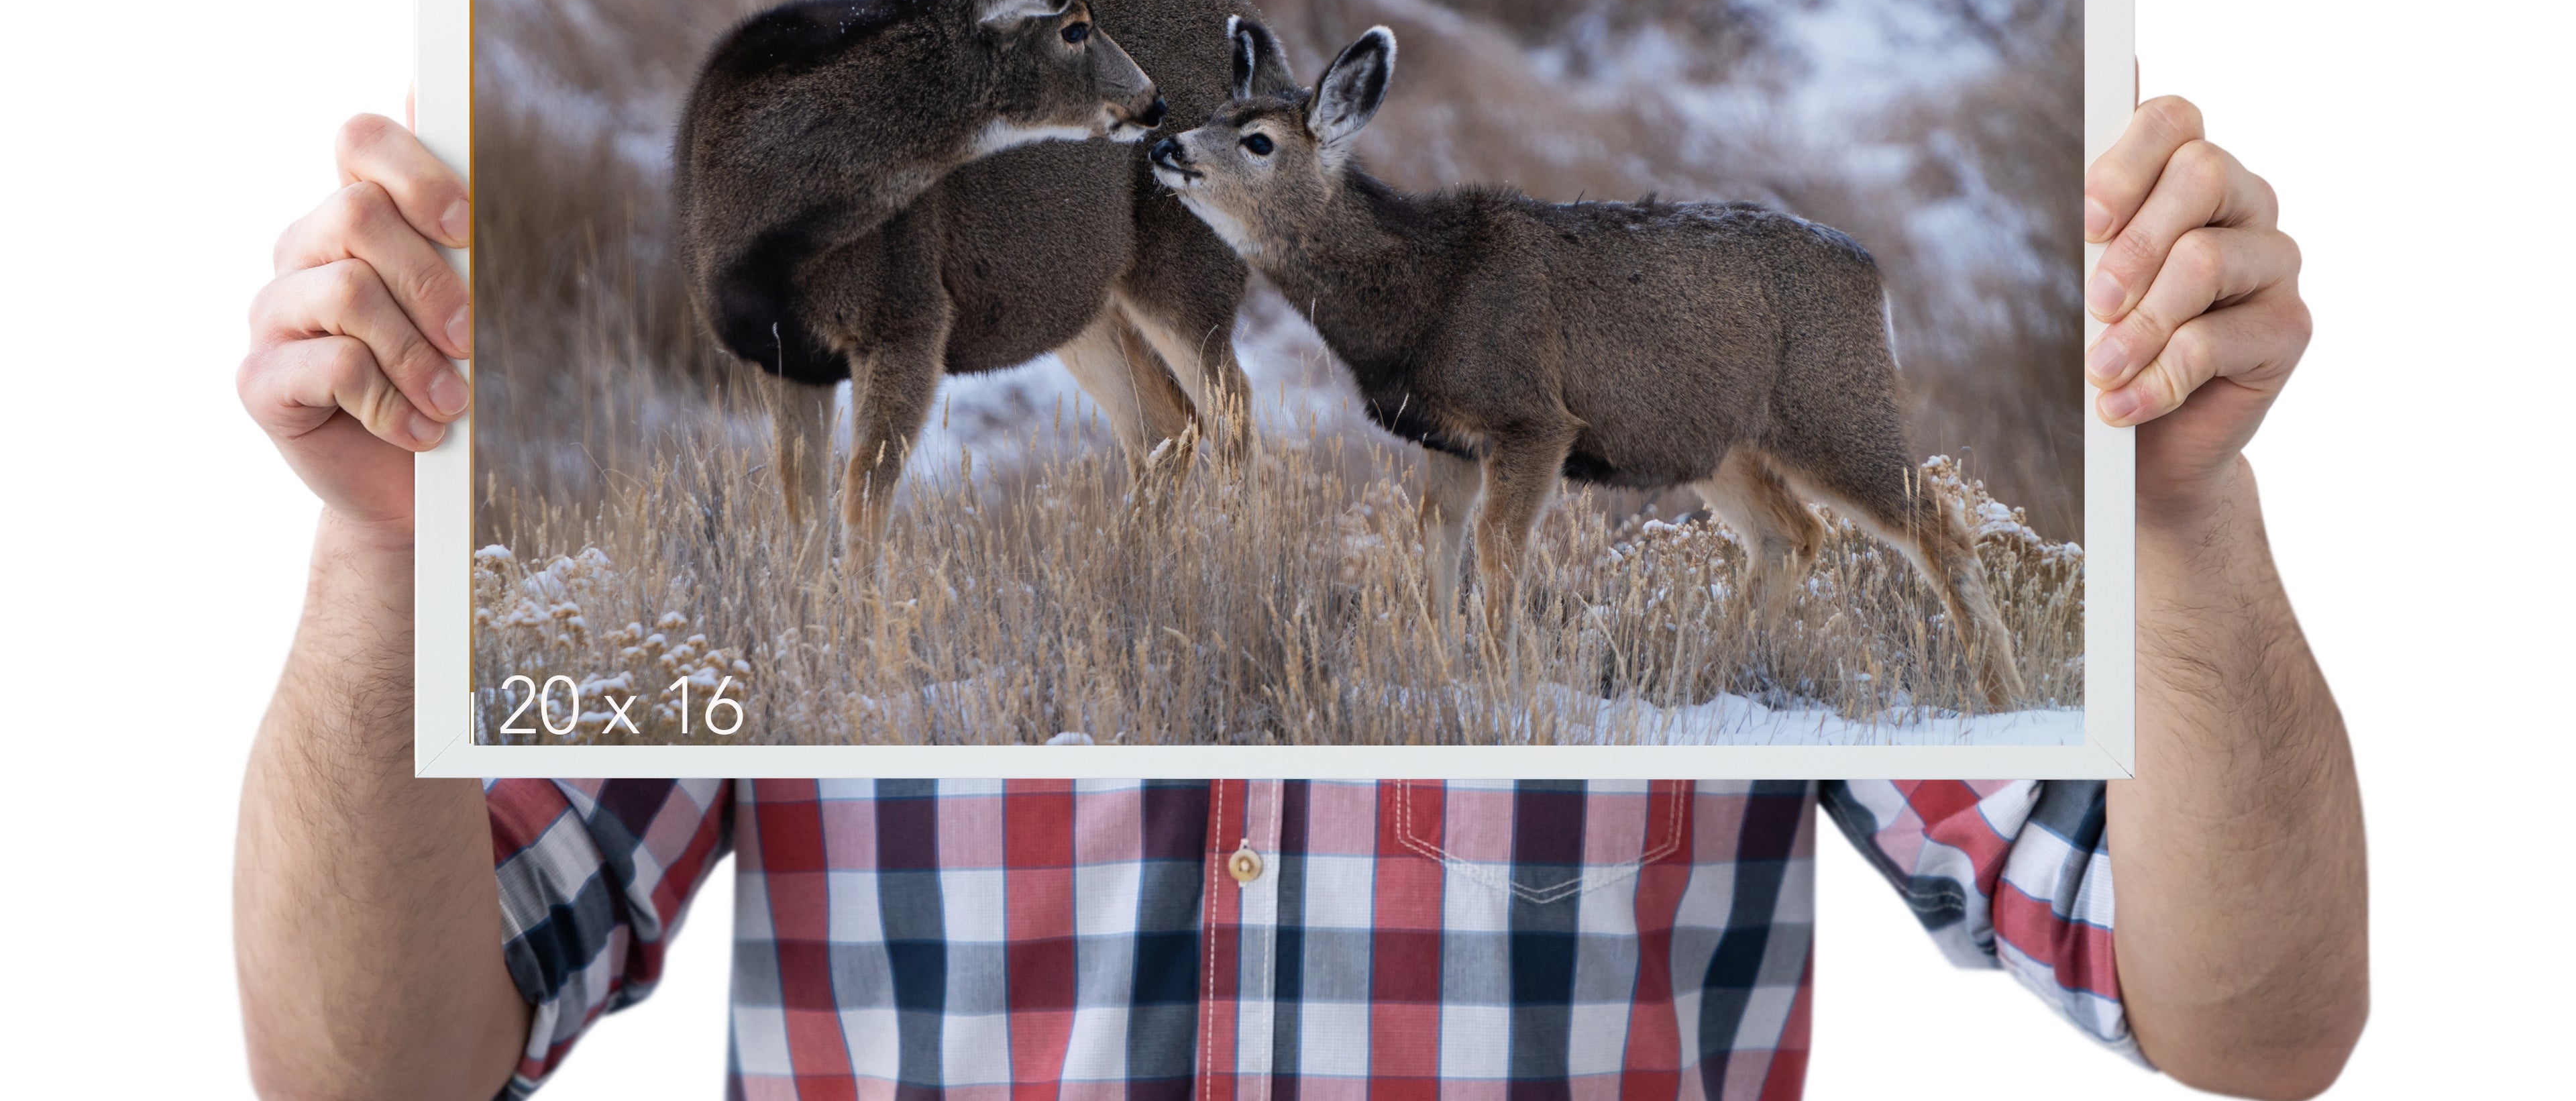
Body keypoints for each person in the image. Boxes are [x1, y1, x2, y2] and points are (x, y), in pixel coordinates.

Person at [233, 97, 2366, 1101]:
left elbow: (2253, 1022)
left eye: (1240, 158)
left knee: (1818, 505)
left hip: (1712, 366)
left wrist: (2182, 518)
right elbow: (369, 1068)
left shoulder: (1513, 303)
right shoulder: (825, 602)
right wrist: (381, 553)